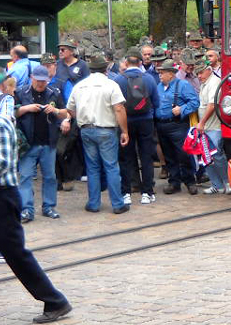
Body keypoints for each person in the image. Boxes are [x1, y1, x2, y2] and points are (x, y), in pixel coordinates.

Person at [0, 77, 73, 323]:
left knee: (16, 254)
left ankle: (56, 301)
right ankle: (55, 300)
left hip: (1, 199)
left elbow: (1, 163)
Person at [65, 54, 131, 214]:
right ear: (106, 69)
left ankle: (94, 203)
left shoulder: (79, 86)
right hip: (106, 130)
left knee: (92, 167)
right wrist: (125, 131)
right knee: (111, 167)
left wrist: (81, 118)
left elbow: (70, 109)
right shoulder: (111, 85)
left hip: (86, 129)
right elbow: (119, 108)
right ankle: (117, 203)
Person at [15, 65, 69, 222]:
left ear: (48, 80)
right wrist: (26, 108)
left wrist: (56, 111)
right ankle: (26, 210)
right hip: (28, 143)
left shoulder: (54, 93)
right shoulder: (20, 92)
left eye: (43, 81)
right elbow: (13, 112)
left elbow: (65, 113)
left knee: (50, 177)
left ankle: (49, 207)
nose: (40, 84)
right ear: (32, 78)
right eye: (37, 81)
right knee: (25, 177)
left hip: (48, 142)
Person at [116, 49, 161, 205]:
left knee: (126, 158)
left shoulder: (118, 80)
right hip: (146, 121)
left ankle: (126, 192)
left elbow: (116, 105)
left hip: (126, 122)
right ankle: (147, 193)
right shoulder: (148, 79)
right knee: (146, 157)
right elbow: (157, 102)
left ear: (126, 63)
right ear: (141, 63)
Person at [154, 59, 199, 195]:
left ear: (171, 74)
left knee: (183, 154)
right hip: (162, 125)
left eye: (162, 73)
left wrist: (182, 109)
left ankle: (190, 181)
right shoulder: (159, 87)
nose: (160, 75)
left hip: (177, 125)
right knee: (169, 156)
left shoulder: (183, 85)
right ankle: (174, 183)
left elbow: (195, 101)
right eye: (159, 73)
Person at [194, 59, 231, 194]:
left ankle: (227, 182)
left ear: (209, 70)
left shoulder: (214, 82)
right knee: (206, 155)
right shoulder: (205, 83)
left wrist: (202, 122)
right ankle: (217, 184)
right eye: (197, 73)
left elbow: (212, 105)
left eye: (201, 72)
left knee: (217, 155)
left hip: (213, 126)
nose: (199, 76)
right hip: (205, 127)